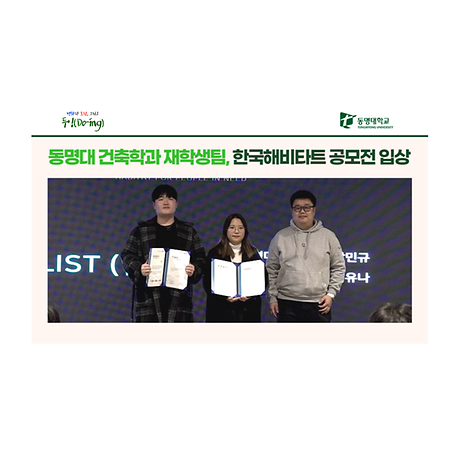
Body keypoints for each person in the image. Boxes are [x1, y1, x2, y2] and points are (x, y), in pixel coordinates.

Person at [120, 184, 206, 322]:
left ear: (176, 204)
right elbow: (127, 255)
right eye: (160, 199)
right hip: (148, 298)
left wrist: (194, 269)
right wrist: (139, 268)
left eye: (170, 198)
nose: (166, 202)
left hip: (179, 300)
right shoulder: (141, 230)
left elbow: (201, 259)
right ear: (154, 205)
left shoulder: (188, 231)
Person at [267, 190, 346, 322]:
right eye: (297, 208)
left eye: (306, 207)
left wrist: (331, 294)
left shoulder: (329, 237)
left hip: (319, 303)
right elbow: (271, 269)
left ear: (314, 210)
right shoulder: (280, 237)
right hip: (286, 303)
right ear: (292, 211)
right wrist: (273, 297)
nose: (302, 211)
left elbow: (338, 267)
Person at [203, 213, 266, 322]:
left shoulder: (253, 253)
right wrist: (224, 297)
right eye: (232, 227)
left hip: (248, 313)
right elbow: (207, 282)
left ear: (245, 231)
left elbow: (264, 279)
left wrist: (251, 295)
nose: (236, 231)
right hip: (221, 312)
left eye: (240, 228)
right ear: (226, 230)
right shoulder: (215, 253)